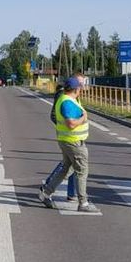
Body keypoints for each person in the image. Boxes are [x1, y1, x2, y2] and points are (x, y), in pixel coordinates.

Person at [39, 76, 97, 213]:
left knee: (66, 168)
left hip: (67, 140)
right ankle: (83, 203)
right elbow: (71, 124)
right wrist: (83, 118)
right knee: (82, 171)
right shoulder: (67, 102)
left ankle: (45, 193)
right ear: (76, 89)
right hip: (74, 142)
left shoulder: (66, 99)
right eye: (80, 88)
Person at [45, 73, 82, 201]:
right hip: (69, 137)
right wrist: (66, 126)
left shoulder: (74, 97)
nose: (81, 87)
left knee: (71, 167)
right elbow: (55, 116)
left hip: (75, 137)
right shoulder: (64, 97)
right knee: (75, 168)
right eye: (80, 84)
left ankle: (71, 194)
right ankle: (83, 201)